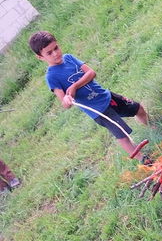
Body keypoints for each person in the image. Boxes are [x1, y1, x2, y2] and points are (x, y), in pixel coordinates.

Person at [29, 31, 152, 164]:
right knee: (122, 135)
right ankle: (143, 160)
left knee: (138, 108)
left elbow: (91, 73)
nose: (55, 53)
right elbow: (65, 102)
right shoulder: (51, 77)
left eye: (56, 48)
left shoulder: (69, 58)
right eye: (49, 53)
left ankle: (154, 130)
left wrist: (75, 86)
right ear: (40, 57)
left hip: (106, 96)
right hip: (99, 111)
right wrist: (67, 99)